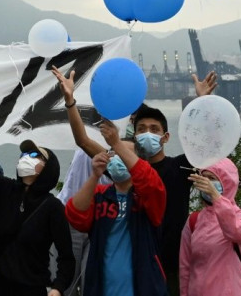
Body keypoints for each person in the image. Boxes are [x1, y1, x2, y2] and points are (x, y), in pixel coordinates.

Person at [52, 66, 217, 295]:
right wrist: (70, 102)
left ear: (165, 136)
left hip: (169, 263)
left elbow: (206, 146)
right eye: (141, 129)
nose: (147, 133)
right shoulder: (121, 170)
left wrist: (203, 102)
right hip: (129, 261)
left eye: (153, 129)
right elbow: (83, 140)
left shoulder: (178, 166)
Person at [0, 100, 75, 296]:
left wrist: (57, 289)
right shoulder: (7, 189)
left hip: (34, 289)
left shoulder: (53, 207)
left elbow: (66, 258)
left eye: (34, 154)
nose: (26, 157)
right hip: (2, 287)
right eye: (24, 153)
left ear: (48, 168)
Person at [65, 121, 167, 296]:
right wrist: (95, 176)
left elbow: (150, 181)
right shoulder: (100, 194)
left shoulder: (146, 197)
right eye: (114, 154)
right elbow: (75, 215)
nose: (117, 157)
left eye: (124, 154)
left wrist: (116, 143)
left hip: (143, 287)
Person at [179, 158, 241, 296]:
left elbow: (236, 233)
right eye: (204, 177)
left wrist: (217, 197)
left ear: (228, 182)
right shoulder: (194, 221)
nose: (207, 183)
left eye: (212, 178)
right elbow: (185, 267)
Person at [52, 149, 112, 296]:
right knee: (64, 284)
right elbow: (83, 140)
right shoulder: (91, 135)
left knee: (91, 282)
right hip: (71, 216)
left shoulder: (124, 144)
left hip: (102, 220)